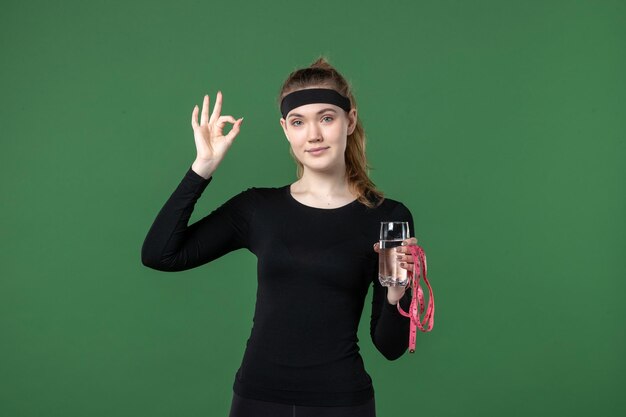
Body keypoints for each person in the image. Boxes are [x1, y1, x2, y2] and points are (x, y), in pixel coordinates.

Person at [141, 57, 420, 417]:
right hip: (257, 399)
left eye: (327, 118)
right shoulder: (259, 208)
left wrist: (398, 292)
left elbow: (390, 346)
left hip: (341, 402)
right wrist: (202, 168)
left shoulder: (388, 217)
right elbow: (160, 254)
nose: (314, 134)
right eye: (298, 122)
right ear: (286, 130)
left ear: (349, 121)